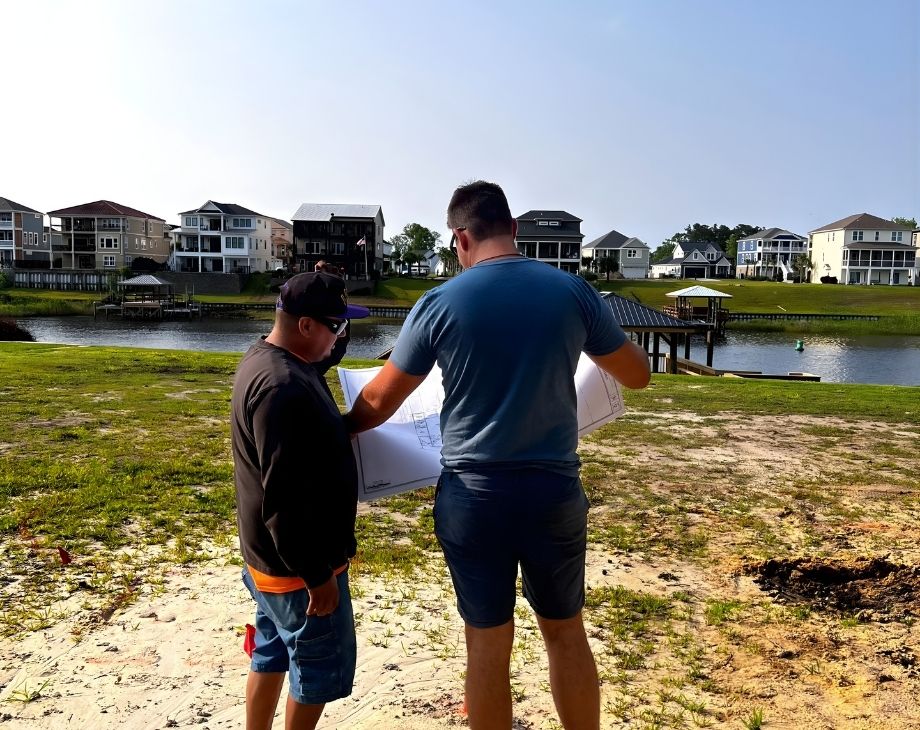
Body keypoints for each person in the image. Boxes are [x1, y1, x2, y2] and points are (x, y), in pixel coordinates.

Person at [344, 181, 651, 730]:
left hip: (474, 495)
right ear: (513, 229)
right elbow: (638, 375)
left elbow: (377, 401)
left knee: (486, 646)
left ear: (460, 239)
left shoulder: (439, 303)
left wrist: (338, 429)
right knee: (565, 631)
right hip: (553, 492)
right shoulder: (573, 292)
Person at [231, 271, 369, 730]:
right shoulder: (284, 391)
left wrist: (337, 345)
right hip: (297, 570)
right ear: (306, 326)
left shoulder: (266, 358)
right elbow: (284, 503)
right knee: (315, 669)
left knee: (270, 653)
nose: (342, 336)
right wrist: (318, 577)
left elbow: (313, 369)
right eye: (337, 326)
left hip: (266, 562)